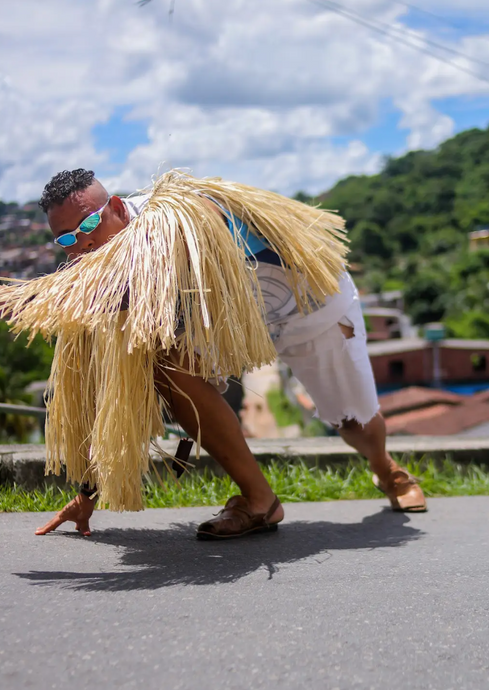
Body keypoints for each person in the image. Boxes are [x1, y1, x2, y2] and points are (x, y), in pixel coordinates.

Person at [26, 169, 425, 539]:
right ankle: (260, 501)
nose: (82, 242)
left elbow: (203, 222)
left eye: (89, 224)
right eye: (66, 238)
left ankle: (385, 469)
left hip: (308, 304)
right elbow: (118, 394)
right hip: (233, 323)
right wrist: (87, 494)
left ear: (115, 207)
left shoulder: (173, 213)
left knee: (355, 422)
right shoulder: (104, 277)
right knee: (165, 368)